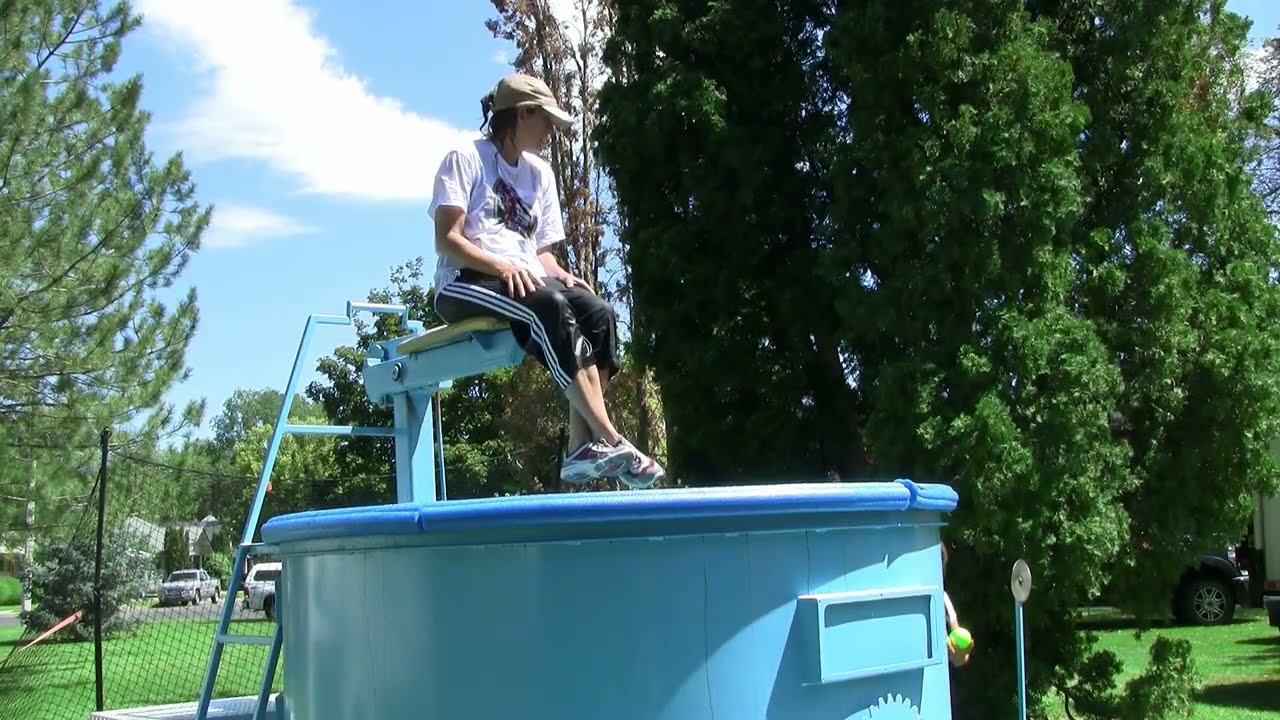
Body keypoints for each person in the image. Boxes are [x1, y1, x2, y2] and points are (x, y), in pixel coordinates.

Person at [426, 72, 664, 489]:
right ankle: (611, 438)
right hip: (465, 281)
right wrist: (502, 267)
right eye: (547, 121)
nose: (551, 131)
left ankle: (580, 446)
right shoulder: (464, 157)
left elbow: (540, 254)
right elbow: (447, 239)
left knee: (599, 312)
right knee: (548, 306)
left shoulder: (540, 174)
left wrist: (562, 274)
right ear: (522, 114)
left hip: (525, 277)